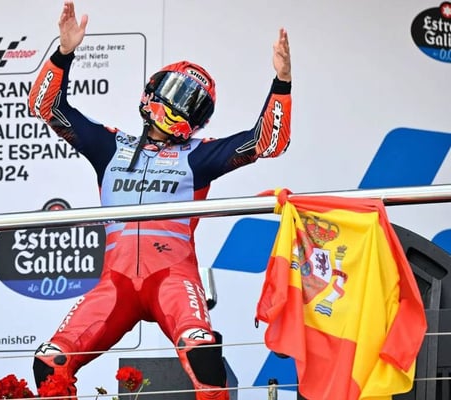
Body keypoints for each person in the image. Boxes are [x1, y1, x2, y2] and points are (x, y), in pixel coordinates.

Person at [28, 1, 292, 398]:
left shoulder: (200, 155)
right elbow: (43, 106)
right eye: (175, 92)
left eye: (192, 102)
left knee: (204, 356)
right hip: (115, 285)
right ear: (152, 90)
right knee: (50, 363)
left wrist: (282, 82)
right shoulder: (109, 146)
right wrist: (64, 53)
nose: (179, 105)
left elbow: (269, 142)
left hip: (173, 280)